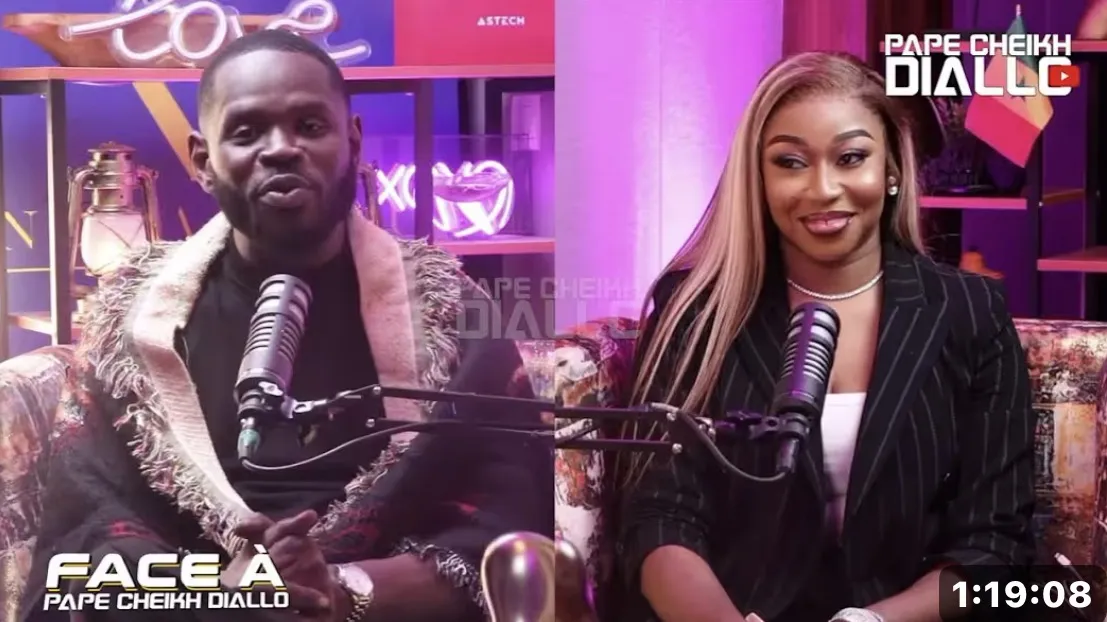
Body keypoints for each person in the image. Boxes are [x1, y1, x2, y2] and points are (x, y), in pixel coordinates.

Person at [19, 30, 552, 622]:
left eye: (310, 126)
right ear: (202, 161)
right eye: (247, 132)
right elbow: (86, 538)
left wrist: (343, 589)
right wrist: (225, 595)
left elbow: (509, 531)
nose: (281, 150)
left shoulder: (452, 311)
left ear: (353, 141)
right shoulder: (129, 327)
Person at [615, 52, 1036, 622]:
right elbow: (659, 518)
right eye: (790, 162)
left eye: (851, 158)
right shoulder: (695, 312)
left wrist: (876, 621)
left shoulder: (972, 312)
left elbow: (995, 543)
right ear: (759, 179)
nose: (822, 188)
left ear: (892, 169)